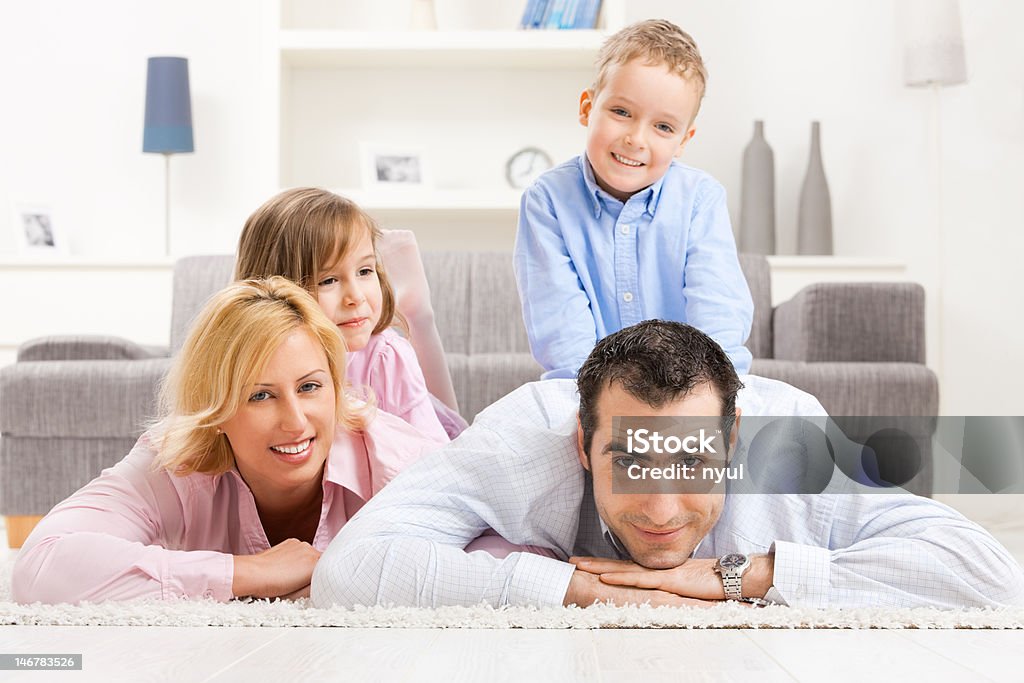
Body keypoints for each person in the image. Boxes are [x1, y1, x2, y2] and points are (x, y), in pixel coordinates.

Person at [310, 321, 1024, 610]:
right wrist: (580, 591)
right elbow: (347, 567)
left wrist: (740, 575)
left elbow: (988, 573)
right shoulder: (525, 437)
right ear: (582, 444)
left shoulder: (793, 443)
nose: (659, 510)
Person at [11, 278, 446, 604]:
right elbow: (42, 565)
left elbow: (498, 557)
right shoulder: (176, 463)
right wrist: (247, 573)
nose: (295, 422)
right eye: (260, 395)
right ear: (214, 409)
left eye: (311, 387)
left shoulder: (398, 458)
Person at [514, 19, 753, 380]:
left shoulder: (700, 199)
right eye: (621, 112)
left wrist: (709, 399)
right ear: (587, 108)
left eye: (663, 127)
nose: (636, 139)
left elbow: (718, 314)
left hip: (691, 389)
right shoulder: (547, 201)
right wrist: (599, 409)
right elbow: (561, 331)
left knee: (800, 413)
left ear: (683, 140)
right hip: (588, 391)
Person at [236, 187, 466, 440]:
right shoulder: (254, 360)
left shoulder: (384, 357)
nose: (355, 296)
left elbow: (428, 459)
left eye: (365, 271)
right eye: (329, 280)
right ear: (276, 288)